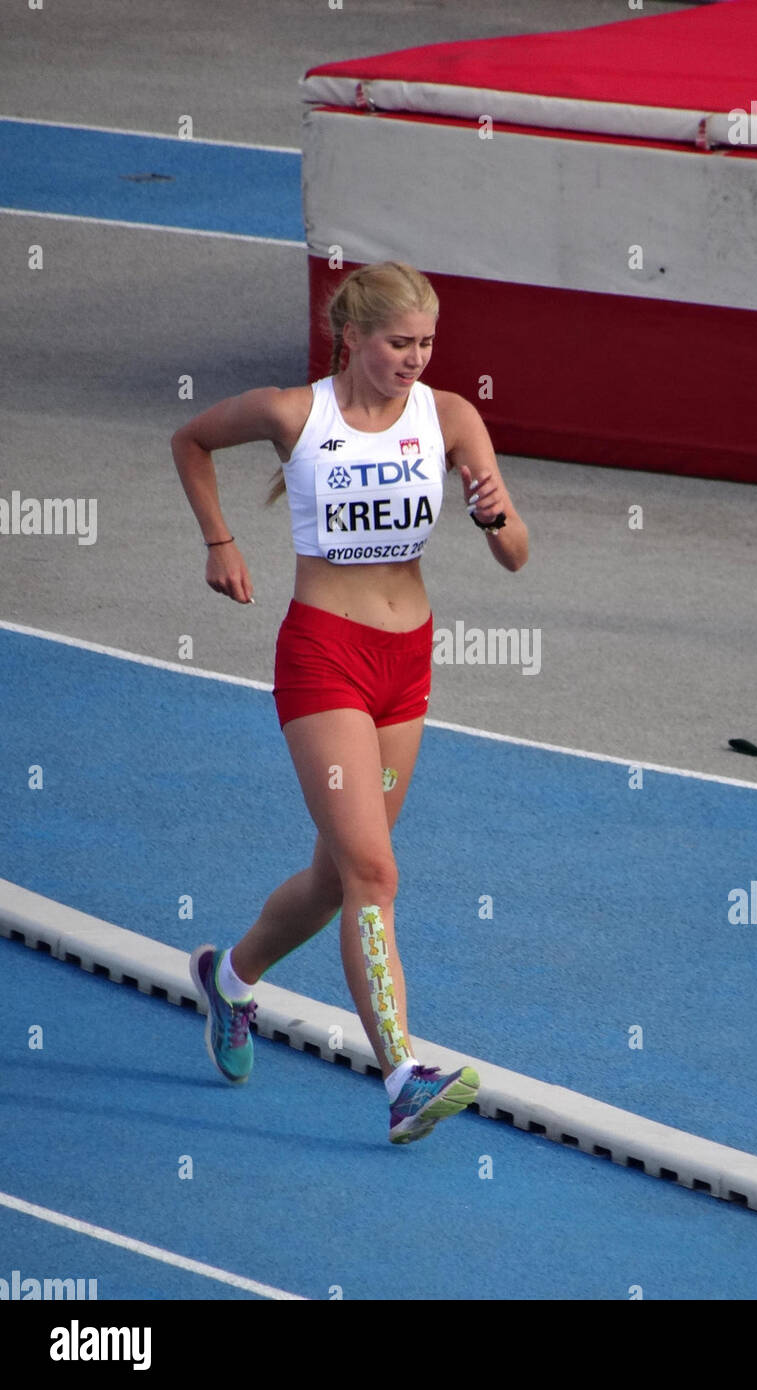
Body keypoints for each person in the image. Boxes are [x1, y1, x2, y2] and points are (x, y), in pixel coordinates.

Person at [171, 260, 529, 1143]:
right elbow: (189, 440)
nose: (414, 360)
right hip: (324, 657)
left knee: (339, 877)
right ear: (353, 338)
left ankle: (231, 979)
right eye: (398, 344)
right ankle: (403, 1072)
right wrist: (221, 541)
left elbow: (517, 553)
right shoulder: (294, 413)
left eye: (427, 344)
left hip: (406, 662)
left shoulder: (450, 417)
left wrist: (492, 516)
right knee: (376, 872)